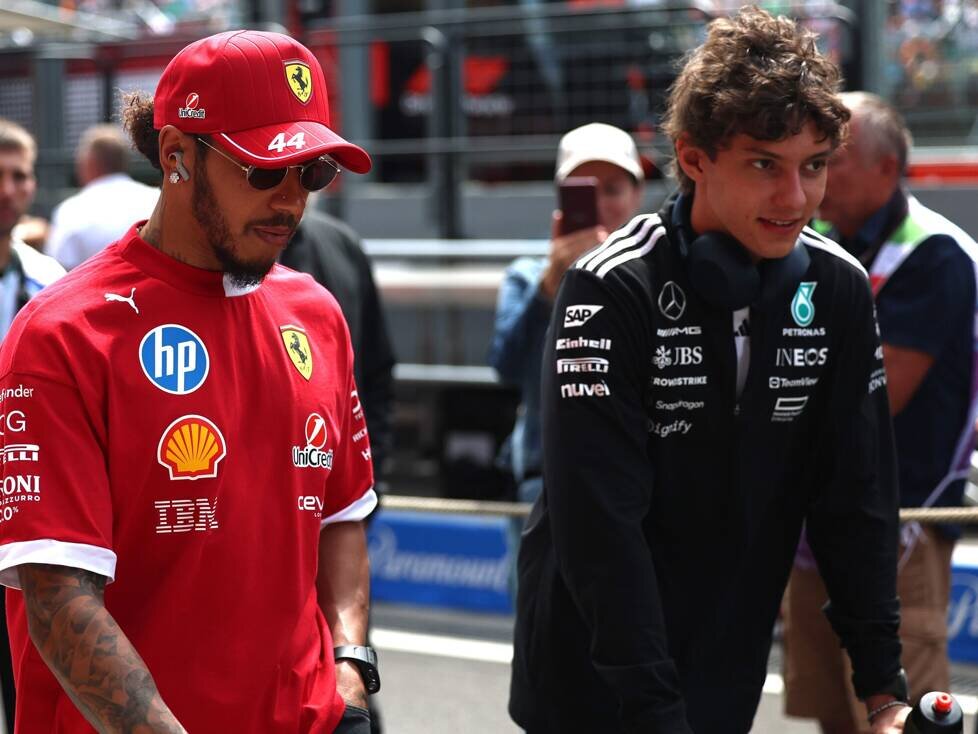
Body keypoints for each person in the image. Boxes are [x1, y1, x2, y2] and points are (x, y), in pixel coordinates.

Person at [509, 8, 912, 734]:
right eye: (764, 164)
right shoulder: (609, 286)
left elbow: (857, 501)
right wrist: (656, 713)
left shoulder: (838, 290)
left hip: (725, 670)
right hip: (590, 681)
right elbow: (599, 527)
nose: (796, 199)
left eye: (814, 166)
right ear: (693, 159)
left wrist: (883, 689)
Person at [0, 31, 379, 734]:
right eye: (264, 171)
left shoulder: (316, 314)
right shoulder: (63, 334)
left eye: (313, 171)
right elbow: (56, 595)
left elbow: (342, 514)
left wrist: (351, 664)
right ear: (176, 154)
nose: (290, 200)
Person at [783, 92, 978, 734]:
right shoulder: (812, 242)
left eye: (828, 159)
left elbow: (875, 397)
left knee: (902, 721)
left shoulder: (936, 254)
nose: (812, 174)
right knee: (833, 716)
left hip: (902, 528)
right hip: (816, 525)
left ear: (887, 168)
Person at [489, 122, 644, 507]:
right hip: (545, 478)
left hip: (635, 473)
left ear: (636, 194)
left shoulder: (654, 273)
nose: (600, 205)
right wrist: (550, 286)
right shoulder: (529, 273)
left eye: (612, 189)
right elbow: (506, 367)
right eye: (584, 191)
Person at [0, 118, 64, 734]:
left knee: (25, 682)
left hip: (25, 514)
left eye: (19, 176)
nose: (8, 189)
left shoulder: (51, 283)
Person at [282, 206, 395, 490]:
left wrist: (370, 473)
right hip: (265, 481)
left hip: (338, 477)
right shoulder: (227, 253)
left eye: (309, 181)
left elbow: (377, 365)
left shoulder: (343, 243)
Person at [46, 123, 159, 270]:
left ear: (89, 162)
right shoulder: (157, 200)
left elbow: (58, 271)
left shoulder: (70, 211)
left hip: (90, 284)